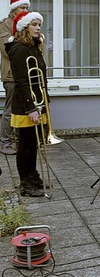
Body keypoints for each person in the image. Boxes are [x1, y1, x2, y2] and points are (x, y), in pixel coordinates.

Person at [4, 11, 48, 197]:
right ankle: (25, 183)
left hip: (37, 101)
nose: (38, 28)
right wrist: (30, 107)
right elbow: (21, 81)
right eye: (34, 24)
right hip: (26, 105)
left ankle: (33, 175)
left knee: (33, 143)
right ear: (24, 27)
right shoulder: (20, 49)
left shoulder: (33, 47)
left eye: (39, 24)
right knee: (25, 144)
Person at [0, 0, 31, 155]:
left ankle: (22, 142)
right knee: (11, 109)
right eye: (22, 8)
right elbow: (7, 50)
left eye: (27, 8)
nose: (26, 11)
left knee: (26, 109)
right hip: (11, 74)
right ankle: (5, 143)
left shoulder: (27, 23)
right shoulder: (4, 24)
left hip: (26, 74)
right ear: (14, 9)